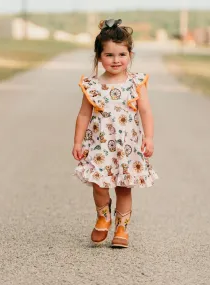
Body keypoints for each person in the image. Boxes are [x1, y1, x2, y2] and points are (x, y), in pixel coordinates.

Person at [72, 18, 158, 248]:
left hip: (127, 147)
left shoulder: (136, 83)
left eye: (121, 54)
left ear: (130, 54)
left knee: (123, 186)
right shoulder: (92, 85)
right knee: (99, 185)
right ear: (99, 57)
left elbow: (146, 111)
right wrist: (78, 142)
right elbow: (83, 115)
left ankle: (122, 227)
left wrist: (148, 138)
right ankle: (103, 216)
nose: (116, 60)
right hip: (99, 148)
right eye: (109, 55)